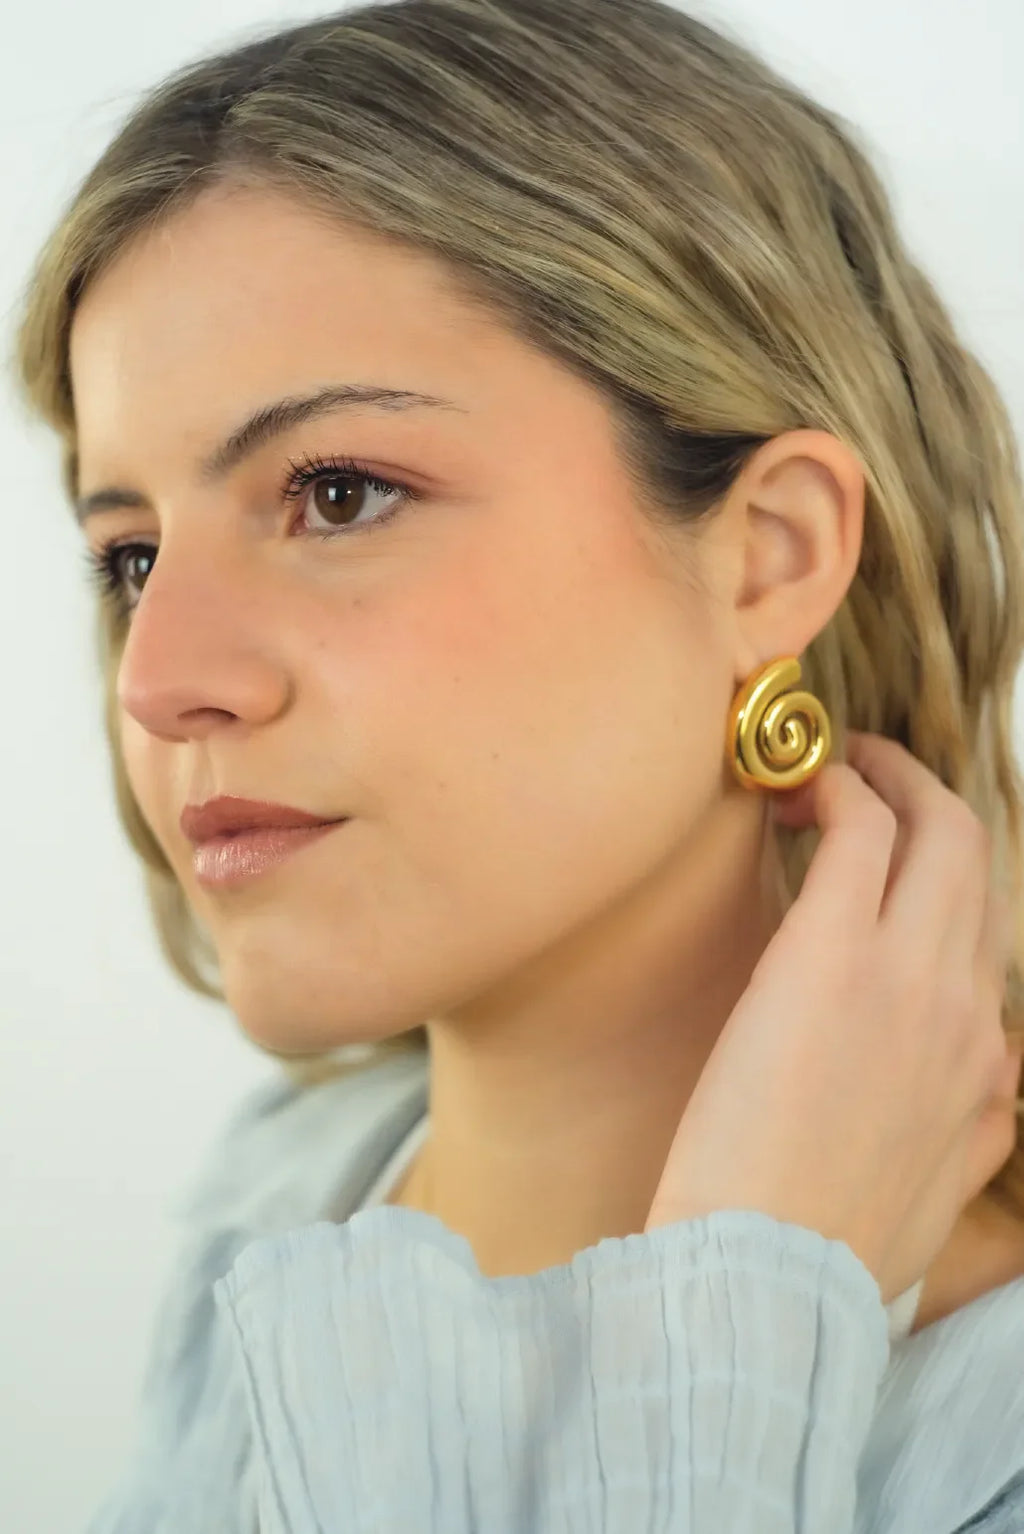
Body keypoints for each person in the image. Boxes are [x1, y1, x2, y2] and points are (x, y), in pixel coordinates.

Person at [12, 0, 1024, 1528]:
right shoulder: (275, 1215)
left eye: (336, 492)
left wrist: (742, 1326)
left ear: (770, 554)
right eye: (133, 556)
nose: (160, 683)